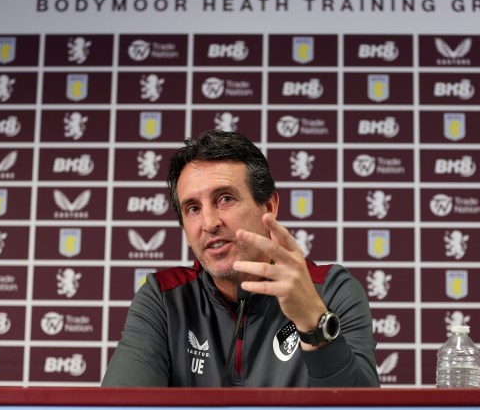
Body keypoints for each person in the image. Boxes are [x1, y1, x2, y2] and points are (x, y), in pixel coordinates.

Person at [102, 129, 380, 387]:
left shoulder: (330, 289)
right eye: (193, 208)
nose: (209, 223)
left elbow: (362, 408)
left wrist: (313, 324)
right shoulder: (163, 297)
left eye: (225, 199)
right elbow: (119, 405)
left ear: (268, 206)